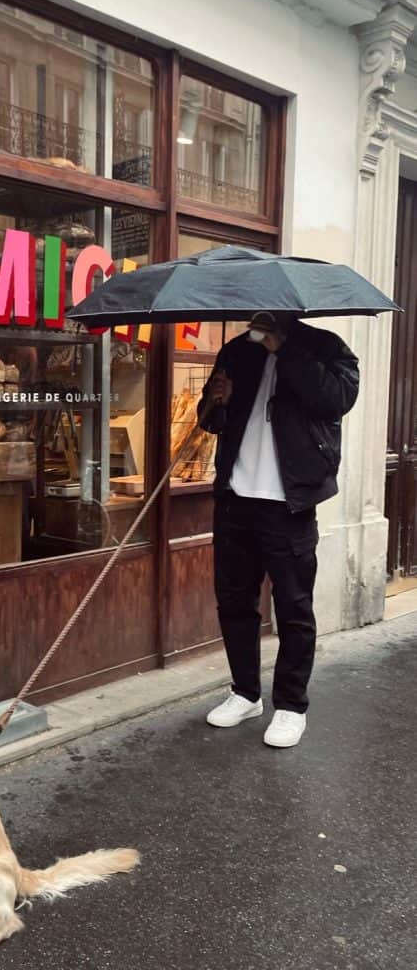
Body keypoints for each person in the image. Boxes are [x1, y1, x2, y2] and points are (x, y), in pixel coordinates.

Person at [199, 311, 359, 748]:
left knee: (293, 608)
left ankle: (290, 705)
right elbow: (207, 419)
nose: (259, 313)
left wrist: (282, 349)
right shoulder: (235, 351)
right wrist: (218, 399)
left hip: (289, 504)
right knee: (234, 603)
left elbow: (336, 400)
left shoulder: (325, 348)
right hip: (235, 499)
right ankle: (245, 692)